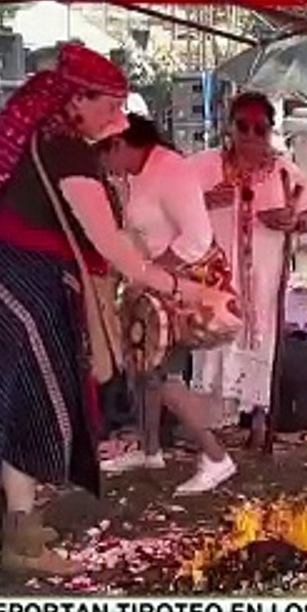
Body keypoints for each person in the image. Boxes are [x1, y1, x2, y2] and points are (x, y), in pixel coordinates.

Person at [0, 44, 221, 577]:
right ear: (77, 99)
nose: (115, 118)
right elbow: (115, 247)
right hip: (24, 283)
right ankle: (21, 541)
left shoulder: (47, 139)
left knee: (11, 398)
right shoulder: (66, 151)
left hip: (3, 275)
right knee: (35, 403)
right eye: (108, 105)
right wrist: (178, 288)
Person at [97, 113, 237, 494]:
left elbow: (197, 237)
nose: (103, 163)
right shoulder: (131, 176)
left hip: (183, 284)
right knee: (142, 368)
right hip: (152, 281)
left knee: (163, 375)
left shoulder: (171, 170)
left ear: (121, 144)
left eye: (104, 152)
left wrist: (150, 272)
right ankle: (149, 447)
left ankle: (216, 456)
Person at [187, 92, 307, 445]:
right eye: (242, 126)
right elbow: (170, 211)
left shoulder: (284, 173)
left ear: (270, 132)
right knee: (213, 348)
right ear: (228, 127)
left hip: (263, 283)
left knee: (261, 344)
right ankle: (210, 430)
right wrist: (200, 203)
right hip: (215, 281)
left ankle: (259, 421)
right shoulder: (201, 167)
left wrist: (293, 221)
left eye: (259, 129)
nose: (249, 136)